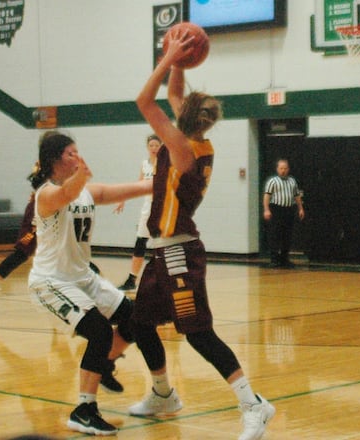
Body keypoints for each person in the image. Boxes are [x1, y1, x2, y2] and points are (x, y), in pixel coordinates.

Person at [129, 29, 275, 440]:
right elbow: (175, 93)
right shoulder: (194, 139)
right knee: (142, 325)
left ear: (181, 119)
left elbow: (144, 101)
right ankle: (162, 395)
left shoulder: (181, 147)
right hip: (161, 252)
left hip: (178, 252)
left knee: (197, 334)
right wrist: (178, 61)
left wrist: (168, 56)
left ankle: (254, 405)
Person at [27, 132, 152, 435]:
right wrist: (81, 177)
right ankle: (84, 410)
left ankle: (105, 363)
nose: (78, 157)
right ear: (55, 161)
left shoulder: (85, 191)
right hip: (51, 281)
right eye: (71, 153)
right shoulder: (45, 194)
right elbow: (66, 195)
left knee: (135, 316)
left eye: (78, 152)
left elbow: (120, 190)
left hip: (82, 277)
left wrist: (161, 183)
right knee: (98, 331)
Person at [115, 134, 161, 291]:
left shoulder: (166, 164)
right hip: (147, 207)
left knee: (161, 245)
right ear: (148, 148)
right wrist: (123, 198)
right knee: (140, 242)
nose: (154, 148)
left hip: (162, 208)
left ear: (161, 147)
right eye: (151, 146)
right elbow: (138, 185)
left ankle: (163, 280)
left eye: (157, 145)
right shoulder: (145, 165)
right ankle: (132, 279)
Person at [262, 159, 304, 268]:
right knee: (275, 235)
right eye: (281, 168)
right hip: (276, 210)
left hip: (289, 210)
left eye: (285, 168)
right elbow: (267, 196)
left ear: (288, 169)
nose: (283, 171)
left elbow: (297, 195)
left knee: (287, 235)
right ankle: (274, 260)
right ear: (277, 169)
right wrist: (266, 209)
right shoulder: (273, 181)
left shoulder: (292, 181)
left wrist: (300, 208)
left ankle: (284, 259)